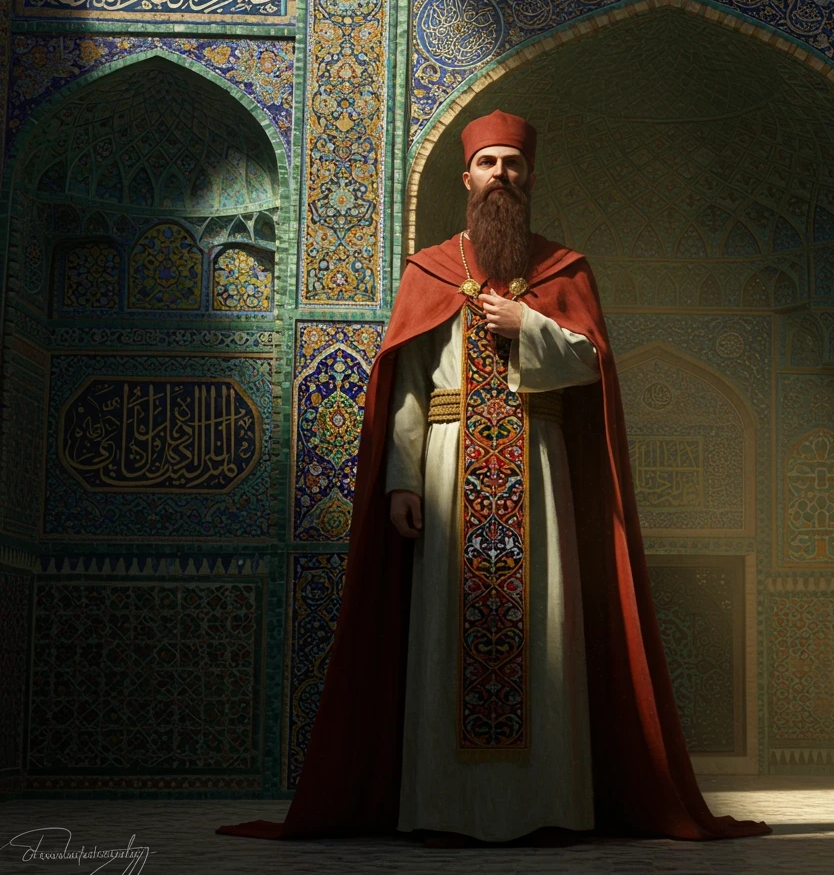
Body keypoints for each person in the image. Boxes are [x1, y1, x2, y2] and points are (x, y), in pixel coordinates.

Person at [216, 110, 770, 847]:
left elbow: (594, 366)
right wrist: (400, 482)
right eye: (489, 165)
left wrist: (528, 326)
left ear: (530, 178)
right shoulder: (431, 270)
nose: (502, 175)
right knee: (446, 642)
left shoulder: (562, 269)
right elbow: (407, 384)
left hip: (539, 478)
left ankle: (550, 807)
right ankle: (444, 809)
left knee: (547, 635)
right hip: (446, 474)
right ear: (467, 178)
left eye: (513, 164)